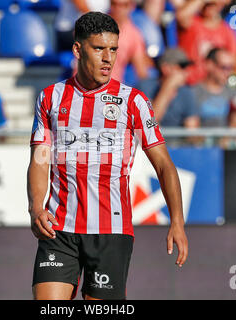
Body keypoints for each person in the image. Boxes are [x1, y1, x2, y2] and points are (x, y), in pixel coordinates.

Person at [27, 12, 188, 300]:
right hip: (59, 229)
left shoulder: (133, 101)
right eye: (99, 48)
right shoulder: (51, 97)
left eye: (113, 49)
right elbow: (40, 159)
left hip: (111, 232)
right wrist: (36, 208)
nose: (108, 58)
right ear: (78, 50)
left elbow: (164, 165)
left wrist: (177, 220)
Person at [175, 0, 236, 85]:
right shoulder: (193, 23)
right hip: (188, 83)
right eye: (207, 3)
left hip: (212, 86)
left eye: (213, 4)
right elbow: (181, 16)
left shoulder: (227, 32)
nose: (209, 7)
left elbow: (235, 65)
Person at [193, 47, 236, 127]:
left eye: (231, 68)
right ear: (209, 65)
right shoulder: (193, 93)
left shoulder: (235, 93)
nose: (228, 73)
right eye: (224, 67)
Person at [152, 48, 199, 128]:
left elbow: (193, 133)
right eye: (182, 67)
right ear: (165, 68)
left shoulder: (186, 92)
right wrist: (168, 87)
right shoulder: (146, 87)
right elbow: (149, 123)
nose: (186, 72)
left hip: (178, 141)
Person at [109, 0, 150, 82]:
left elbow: (141, 71)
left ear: (132, 6)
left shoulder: (134, 35)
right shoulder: (95, 25)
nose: (118, 9)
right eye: (114, 4)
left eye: (124, 5)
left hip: (111, 88)